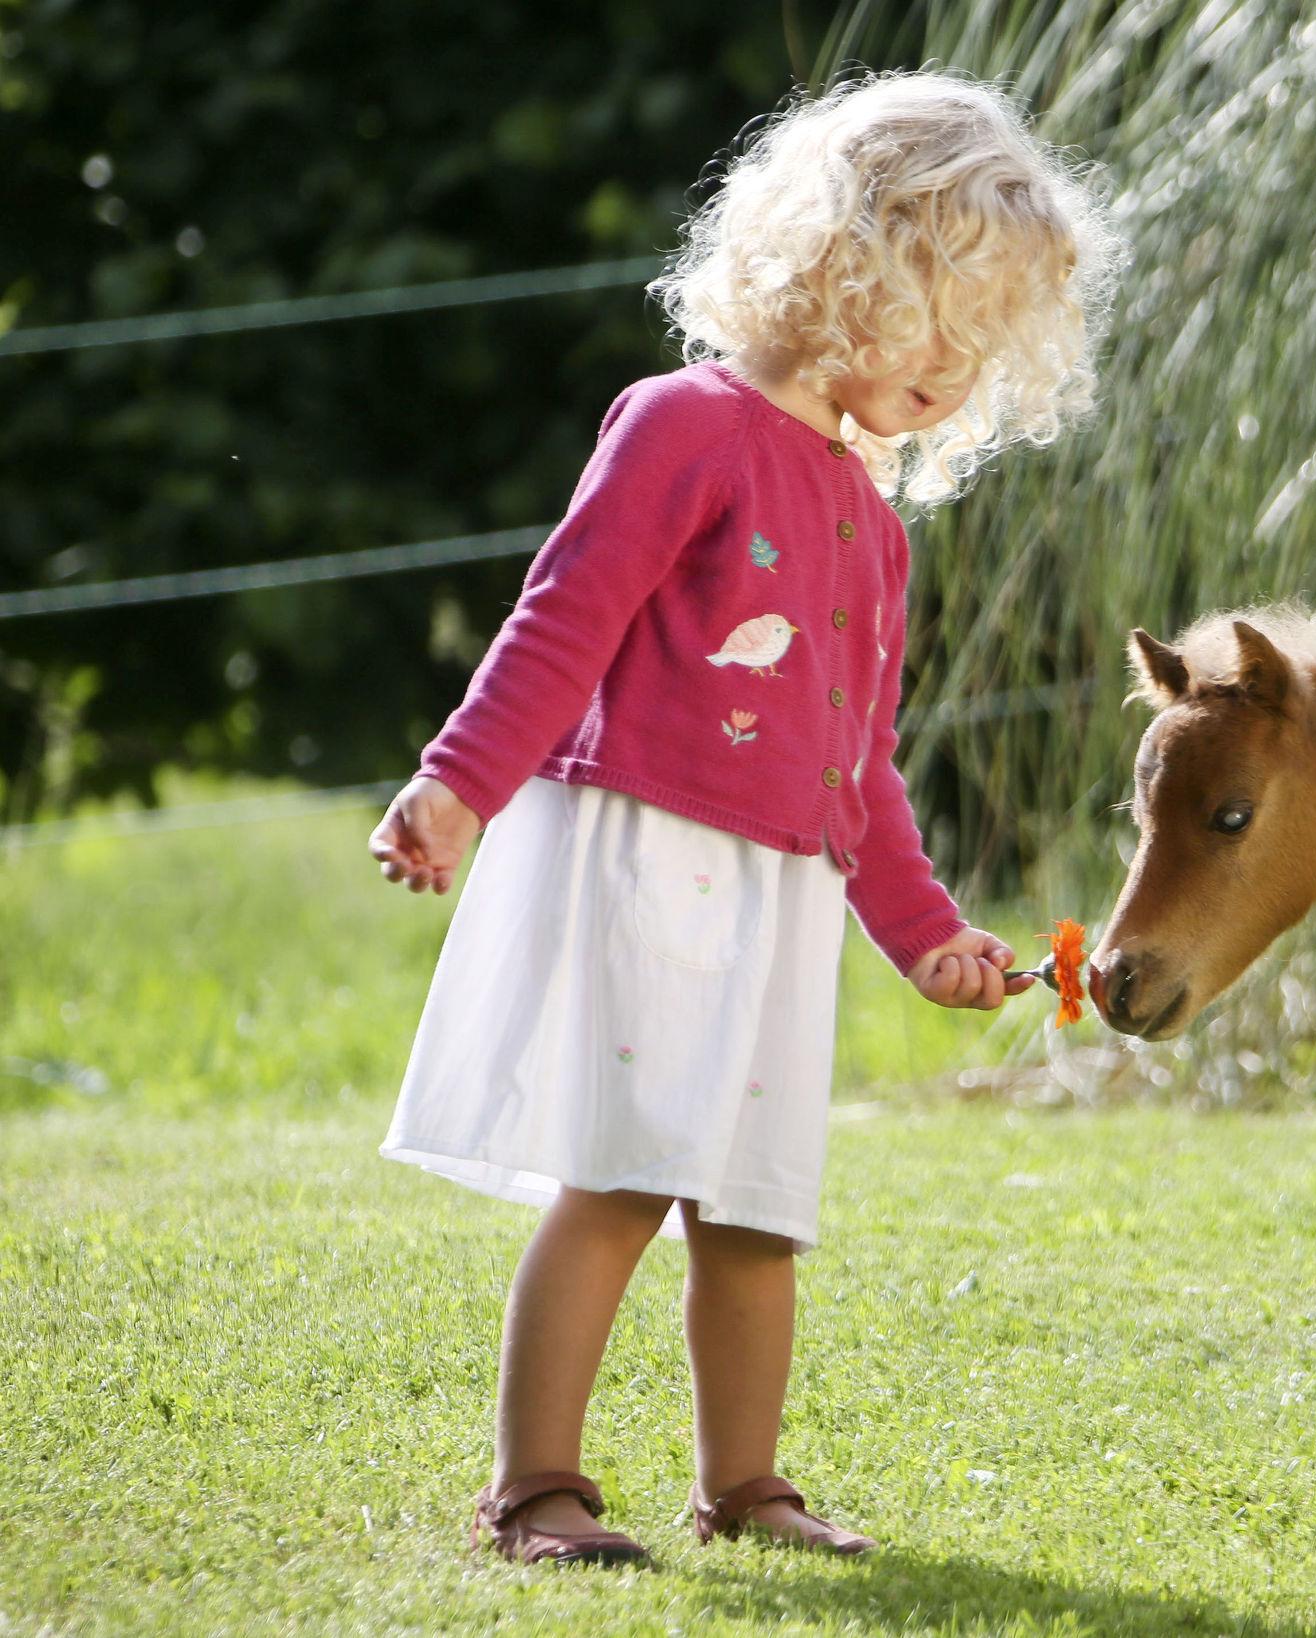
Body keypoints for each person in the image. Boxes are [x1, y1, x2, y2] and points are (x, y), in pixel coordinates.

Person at [365, 70, 1121, 1566]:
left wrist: (922, 935)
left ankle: (747, 1484)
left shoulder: (874, 519)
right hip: (647, 854)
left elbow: (860, 760)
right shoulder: (681, 424)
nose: (956, 376)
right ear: (848, 265)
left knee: (759, 1204)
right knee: (628, 1169)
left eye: (986, 354)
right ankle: (537, 1486)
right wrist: (458, 785)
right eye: (942, 326)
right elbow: (559, 624)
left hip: (777, 894)